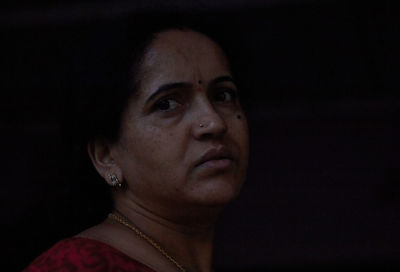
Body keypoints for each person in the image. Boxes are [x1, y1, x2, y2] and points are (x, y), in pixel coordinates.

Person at [24, 17, 249, 272]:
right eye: (167, 104)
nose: (214, 122)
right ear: (106, 156)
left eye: (223, 95)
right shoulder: (75, 267)